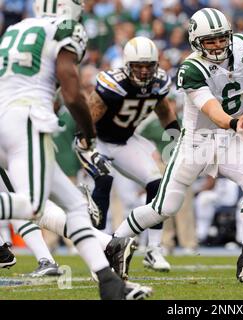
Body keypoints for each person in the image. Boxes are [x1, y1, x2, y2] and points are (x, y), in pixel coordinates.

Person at [0, 0, 150, 299]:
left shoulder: (16, 29)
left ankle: (109, 283)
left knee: (75, 205)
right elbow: (71, 91)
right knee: (32, 205)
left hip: (9, 117)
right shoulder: (64, 28)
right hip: (26, 119)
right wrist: (89, 133)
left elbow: (42, 86)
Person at [112, 8, 243, 282]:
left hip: (229, 138)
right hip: (196, 141)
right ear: (196, 42)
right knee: (163, 208)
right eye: (210, 41)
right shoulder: (191, 68)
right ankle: (113, 242)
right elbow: (214, 112)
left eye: (222, 38)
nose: (218, 45)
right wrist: (239, 123)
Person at [75, 36, 178, 272]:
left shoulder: (159, 82)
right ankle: (100, 252)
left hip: (125, 141)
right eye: (138, 66)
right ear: (127, 65)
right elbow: (89, 116)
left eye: (148, 66)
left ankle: (153, 250)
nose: (143, 71)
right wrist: (85, 147)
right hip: (96, 140)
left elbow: (164, 111)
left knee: (157, 185)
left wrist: (177, 137)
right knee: (104, 181)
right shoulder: (114, 83)